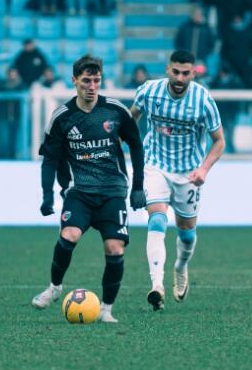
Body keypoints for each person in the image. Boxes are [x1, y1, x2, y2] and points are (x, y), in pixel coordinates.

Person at [31, 55, 146, 323]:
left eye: (96, 80)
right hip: (79, 192)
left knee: (115, 248)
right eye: (86, 81)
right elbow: (49, 159)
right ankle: (54, 288)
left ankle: (106, 309)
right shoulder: (62, 117)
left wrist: (138, 187)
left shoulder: (115, 111)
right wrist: (47, 194)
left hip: (112, 193)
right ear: (74, 81)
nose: (92, 86)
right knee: (69, 235)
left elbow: (136, 144)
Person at [130, 50, 225, 311]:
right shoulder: (149, 91)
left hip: (188, 173)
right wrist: (126, 144)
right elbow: (131, 118)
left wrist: (204, 169)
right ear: (167, 69)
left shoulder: (203, 100)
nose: (180, 78)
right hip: (155, 166)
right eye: (175, 72)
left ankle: (181, 267)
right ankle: (156, 285)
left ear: (193, 73)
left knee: (187, 233)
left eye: (185, 73)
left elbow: (219, 141)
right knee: (156, 219)